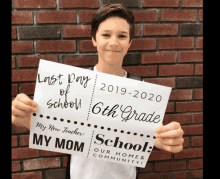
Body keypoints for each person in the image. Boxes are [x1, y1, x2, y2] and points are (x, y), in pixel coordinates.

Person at [12, 4, 184, 179]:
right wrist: (27, 118)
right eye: (106, 35)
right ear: (94, 39)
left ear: (129, 43)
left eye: (122, 36)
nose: (113, 42)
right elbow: (53, 128)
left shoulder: (140, 87)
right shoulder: (73, 85)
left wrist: (166, 139)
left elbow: (148, 136)